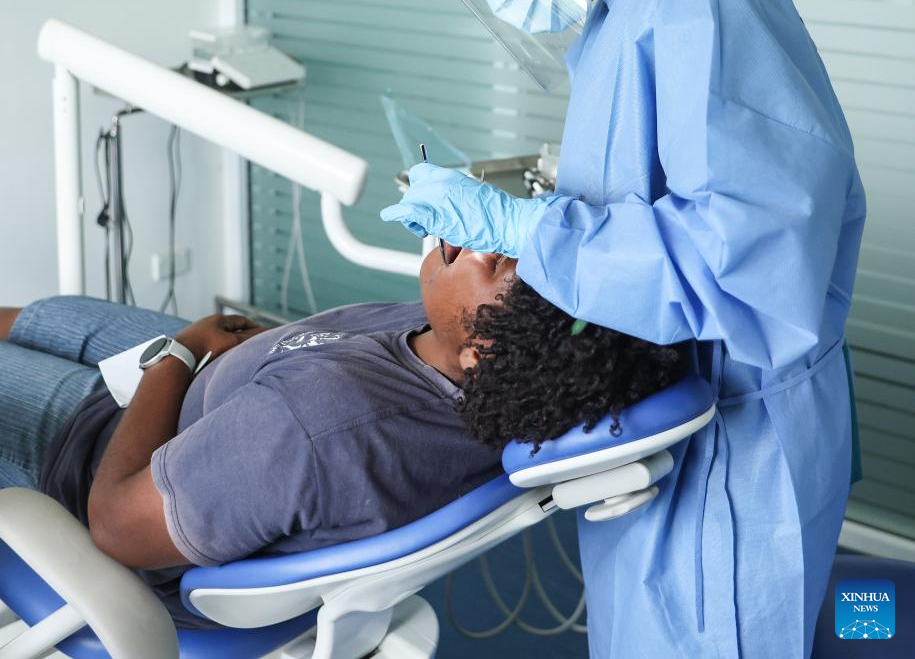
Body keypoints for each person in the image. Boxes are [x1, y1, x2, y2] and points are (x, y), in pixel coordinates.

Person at [380, 0, 868, 658]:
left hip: (739, 430)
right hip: (667, 399)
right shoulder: (622, 7)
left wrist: (527, 232)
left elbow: (749, 252)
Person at [0, 243, 685, 631]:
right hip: (211, 399)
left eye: (502, 266)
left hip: (92, 447)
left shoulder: (320, 426)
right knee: (43, 316)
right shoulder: (474, 356)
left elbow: (117, 525)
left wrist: (175, 359)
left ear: (486, 352)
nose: (479, 241)